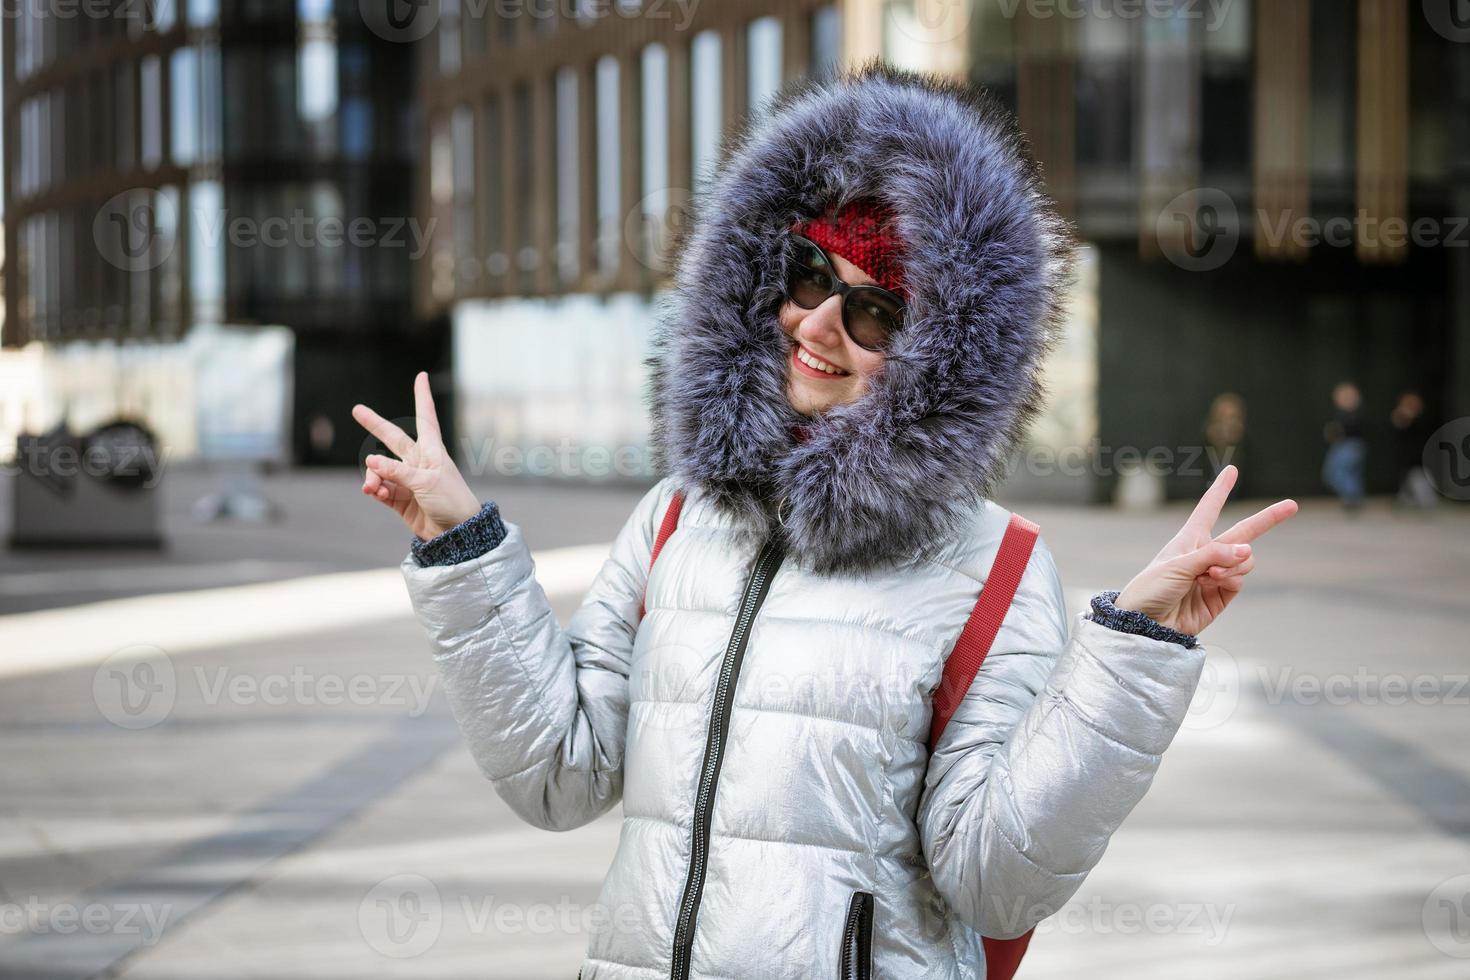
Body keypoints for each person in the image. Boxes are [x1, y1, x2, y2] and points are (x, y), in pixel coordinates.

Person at [351, 65, 1297, 980]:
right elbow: (558, 774)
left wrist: (1131, 656)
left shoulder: (996, 570)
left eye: (877, 311)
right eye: (809, 275)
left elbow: (997, 882)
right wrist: (463, 545)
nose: (818, 325)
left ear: (944, 354)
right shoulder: (677, 517)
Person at [1322, 381, 1368, 512]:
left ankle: (1353, 499)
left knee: (1340, 474)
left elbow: (1350, 430)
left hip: (1350, 446)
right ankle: (1353, 499)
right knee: (1343, 474)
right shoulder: (1342, 414)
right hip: (1343, 446)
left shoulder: (1356, 413)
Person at [1390, 390, 1438, 510]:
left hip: (1417, 458)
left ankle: (1427, 502)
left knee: (1419, 479)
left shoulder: (1421, 420)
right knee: (1409, 479)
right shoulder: (1402, 419)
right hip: (1406, 458)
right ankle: (1405, 499)